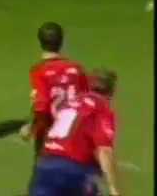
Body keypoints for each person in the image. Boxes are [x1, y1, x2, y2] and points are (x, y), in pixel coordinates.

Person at [30, 68, 121, 196]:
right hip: (74, 170)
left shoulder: (70, 103)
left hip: (46, 166)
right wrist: (114, 190)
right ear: (112, 91)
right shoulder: (102, 108)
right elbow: (104, 150)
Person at [21, 22, 89, 156]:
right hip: (75, 135)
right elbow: (87, 99)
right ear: (62, 42)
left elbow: (41, 106)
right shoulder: (77, 69)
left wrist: (30, 128)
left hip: (50, 137)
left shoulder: (39, 71)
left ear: (40, 42)